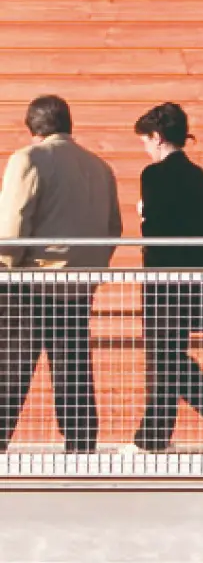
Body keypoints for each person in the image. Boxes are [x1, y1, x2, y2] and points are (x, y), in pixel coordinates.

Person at [0, 96, 122, 455]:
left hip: (32, 281)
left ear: (32, 127)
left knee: (10, 368)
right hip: (79, 283)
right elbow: (113, 228)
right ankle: (81, 447)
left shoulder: (29, 159)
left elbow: (12, 225)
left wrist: (7, 269)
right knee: (73, 370)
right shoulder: (100, 167)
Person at [129, 102, 203, 456]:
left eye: (146, 140)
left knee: (166, 358)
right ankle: (154, 437)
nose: (146, 148)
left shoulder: (153, 175)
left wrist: (143, 215)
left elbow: (158, 231)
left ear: (158, 138)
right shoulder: (198, 174)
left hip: (167, 280)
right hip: (202, 274)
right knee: (169, 357)